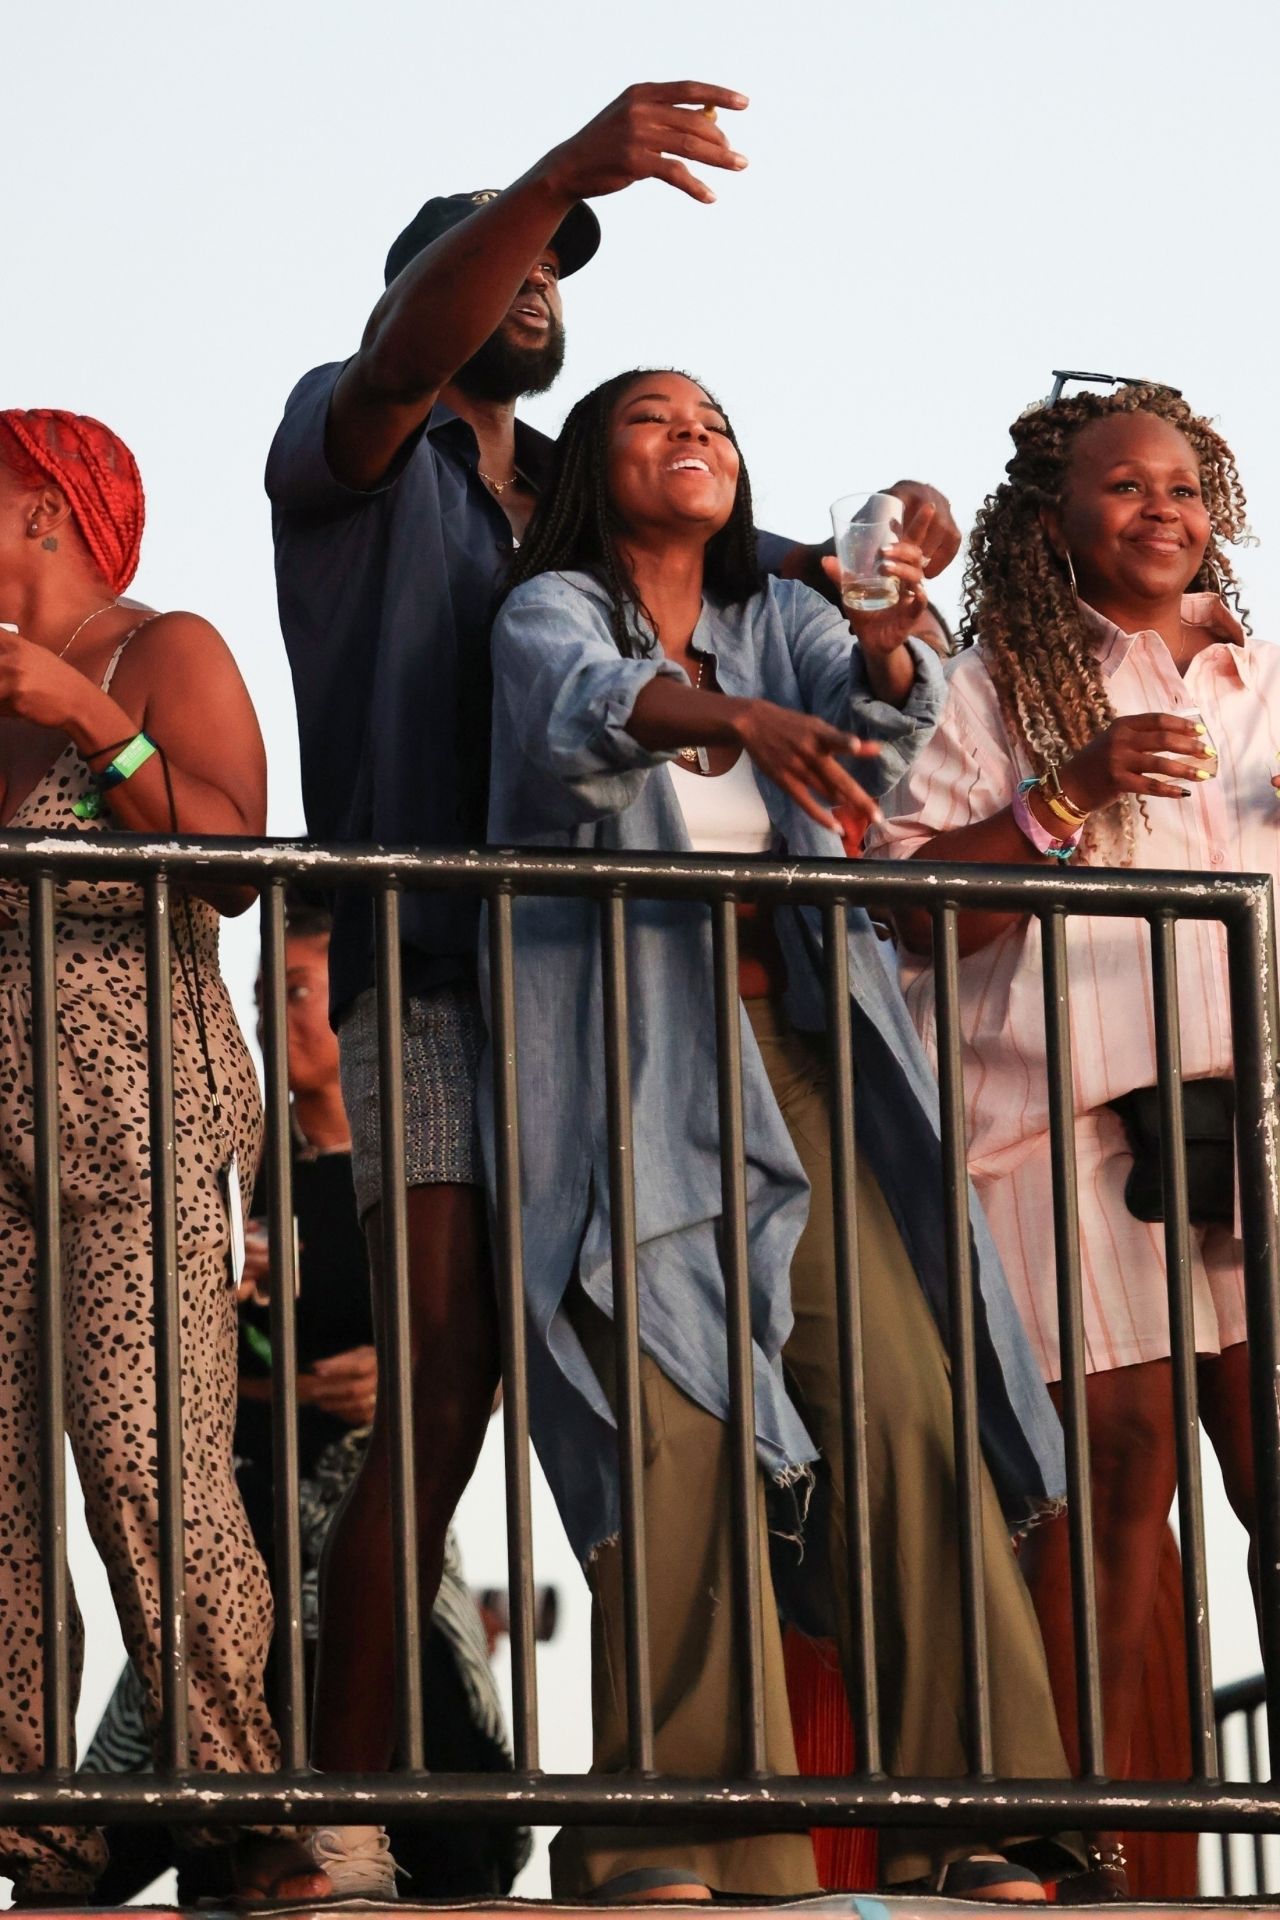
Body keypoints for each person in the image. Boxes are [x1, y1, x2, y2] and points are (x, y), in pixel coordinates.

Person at [265, 80, 961, 1870]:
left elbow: (818, 587)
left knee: (625, 1370)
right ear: (423, 288)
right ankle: (339, 1814)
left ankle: (664, 1795)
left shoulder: (570, 513)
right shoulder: (359, 445)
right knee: (444, 1382)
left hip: (601, 999)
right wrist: (561, 167)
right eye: (501, 257)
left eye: (561, 261)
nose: (538, 281)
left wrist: (893, 553)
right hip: (436, 975)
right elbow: (404, 356)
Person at [482, 367, 1082, 1902]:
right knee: (674, 1432)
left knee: (906, 1411)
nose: (691, 438)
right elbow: (580, 721)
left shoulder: (780, 623)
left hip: (802, 1060)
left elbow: (876, 729)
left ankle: (979, 1822)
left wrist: (886, 637)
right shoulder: (548, 607)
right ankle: (680, 1839)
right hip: (630, 1069)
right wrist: (733, 717)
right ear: (589, 467)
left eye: (715, 424)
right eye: (649, 419)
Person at [867, 380, 1265, 1878]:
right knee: (1115, 1467)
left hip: (1259, 1132)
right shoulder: (997, 688)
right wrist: (1067, 794)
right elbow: (908, 896)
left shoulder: (1264, 679)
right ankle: (1076, 1832)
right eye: (1121, 487)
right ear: (1053, 525)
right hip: (1070, 1132)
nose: (1158, 510)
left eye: (1182, 485)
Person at [0, 409, 331, 1904]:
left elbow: (234, 863)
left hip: (138, 1100)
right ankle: (35, 1822)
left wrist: (85, 713)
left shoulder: (162, 649)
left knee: (149, 1458)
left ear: (46, 511)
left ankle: (238, 1799)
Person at [81, 895, 530, 1903]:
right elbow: (132, 1354)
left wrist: (408, 1378)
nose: (272, 1017)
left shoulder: (428, 1182)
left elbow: (487, 1354)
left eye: (294, 991)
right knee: (153, 1771)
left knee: (446, 1784)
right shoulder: (229, 1173)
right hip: (234, 1522)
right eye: (256, 994)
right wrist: (229, 1337)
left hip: (374, 1510)